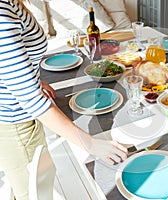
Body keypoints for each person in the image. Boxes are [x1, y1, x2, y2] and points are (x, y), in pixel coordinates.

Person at [0, 1, 127, 199]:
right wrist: (90, 144)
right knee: (33, 194)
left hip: (21, 117)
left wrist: (34, 80)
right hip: (17, 123)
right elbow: (32, 100)